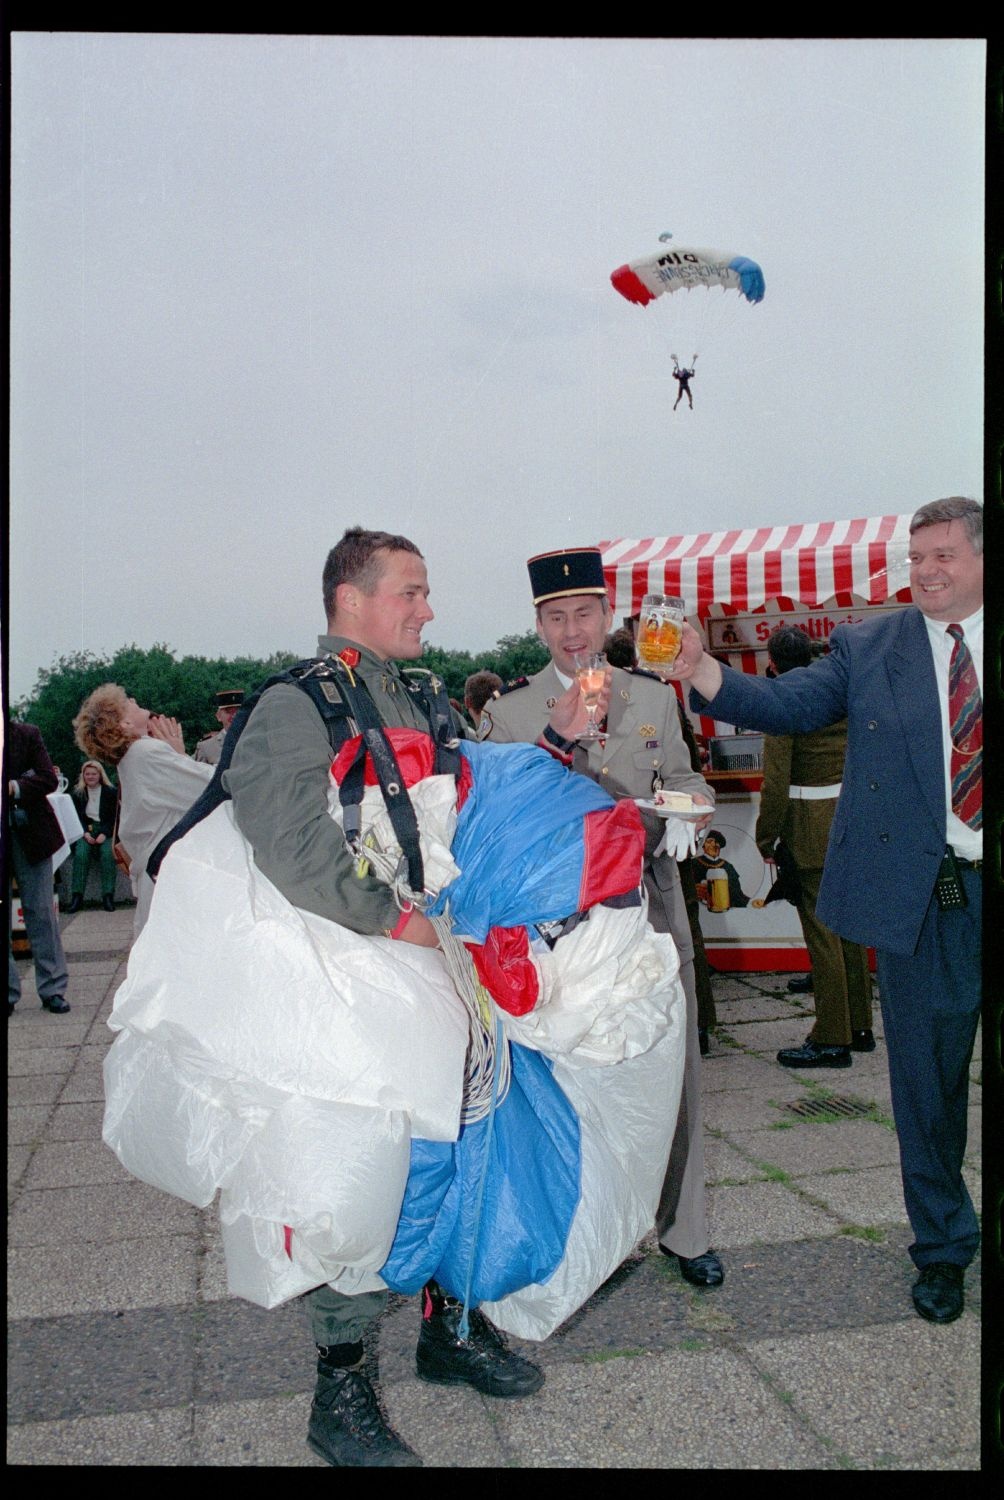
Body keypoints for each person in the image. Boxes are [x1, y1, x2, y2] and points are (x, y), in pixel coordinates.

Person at [222, 528, 543, 1468]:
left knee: (467, 1139)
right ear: (350, 599)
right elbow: (289, 845)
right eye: (411, 592)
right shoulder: (296, 703)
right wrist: (396, 923)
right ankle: (341, 1386)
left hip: (441, 959)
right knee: (367, 1170)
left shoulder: (423, 692)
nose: (428, 609)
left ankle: (450, 1329)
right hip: (356, 971)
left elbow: (470, 800)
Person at [666, 496, 983, 1326]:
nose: (928, 571)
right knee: (928, 1085)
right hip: (931, 898)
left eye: (945, 555)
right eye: (918, 557)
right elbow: (788, 705)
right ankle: (943, 1250)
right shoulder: (873, 645)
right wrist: (704, 671)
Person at [479, 546, 725, 1288]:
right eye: (556, 617)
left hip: (648, 906)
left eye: (584, 613)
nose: (572, 630)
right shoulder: (510, 712)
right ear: (539, 625)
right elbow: (495, 815)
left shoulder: (650, 698)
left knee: (672, 1064)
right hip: (559, 926)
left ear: (607, 614)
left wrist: (690, 806)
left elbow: (681, 776)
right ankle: (592, 1237)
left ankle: (687, 1231)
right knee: (572, 1079)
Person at [754, 627, 874, 1068]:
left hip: (809, 831)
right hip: (848, 821)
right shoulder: (837, 690)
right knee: (849, 933)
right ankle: (859, 1026)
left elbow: (776, 782)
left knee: (823, 937)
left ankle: (831, 1037)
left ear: (772, 661)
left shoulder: (782, 698)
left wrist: (766, 837)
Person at [72, 688, 214, 936]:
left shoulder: (133, 756)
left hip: (156, 873)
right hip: (170, 876)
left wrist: (175, 756)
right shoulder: (146, 753)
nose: (134, 700)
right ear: (125, 723)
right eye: (128, 702)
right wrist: (179, 754)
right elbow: (211, 789)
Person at [7, 721, 71, 1016]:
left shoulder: (27, 734)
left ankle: (53, 989)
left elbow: (48, 778)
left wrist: (15, 787)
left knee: (41, 912)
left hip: (30, 832)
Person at [65, 760, 120, 913]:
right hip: (85, 830)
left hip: (104, 829)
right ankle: (77, 897)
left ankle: (108, 896)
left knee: (108, 854)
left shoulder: (110, 792)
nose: (90, 777)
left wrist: (105, 833)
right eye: (87, 774)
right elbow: (75, 816)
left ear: (100, 775)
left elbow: (114, 816)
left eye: (94, 774)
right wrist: (84, 832)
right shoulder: (77, 793)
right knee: (81, 855)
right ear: (83, 776)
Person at [694, 828, 751, 909]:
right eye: (709, 841)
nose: (714, 845)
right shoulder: (693, 864)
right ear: (703, 846)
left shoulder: (728, 866)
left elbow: (738, 894)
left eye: (717, 843)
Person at [193, 690, 245, 765]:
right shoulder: (206, 747)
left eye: (238, 711)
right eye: (229, 711)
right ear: (218, 716)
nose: (234, 716)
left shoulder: (256, 740)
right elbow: (198, 775)